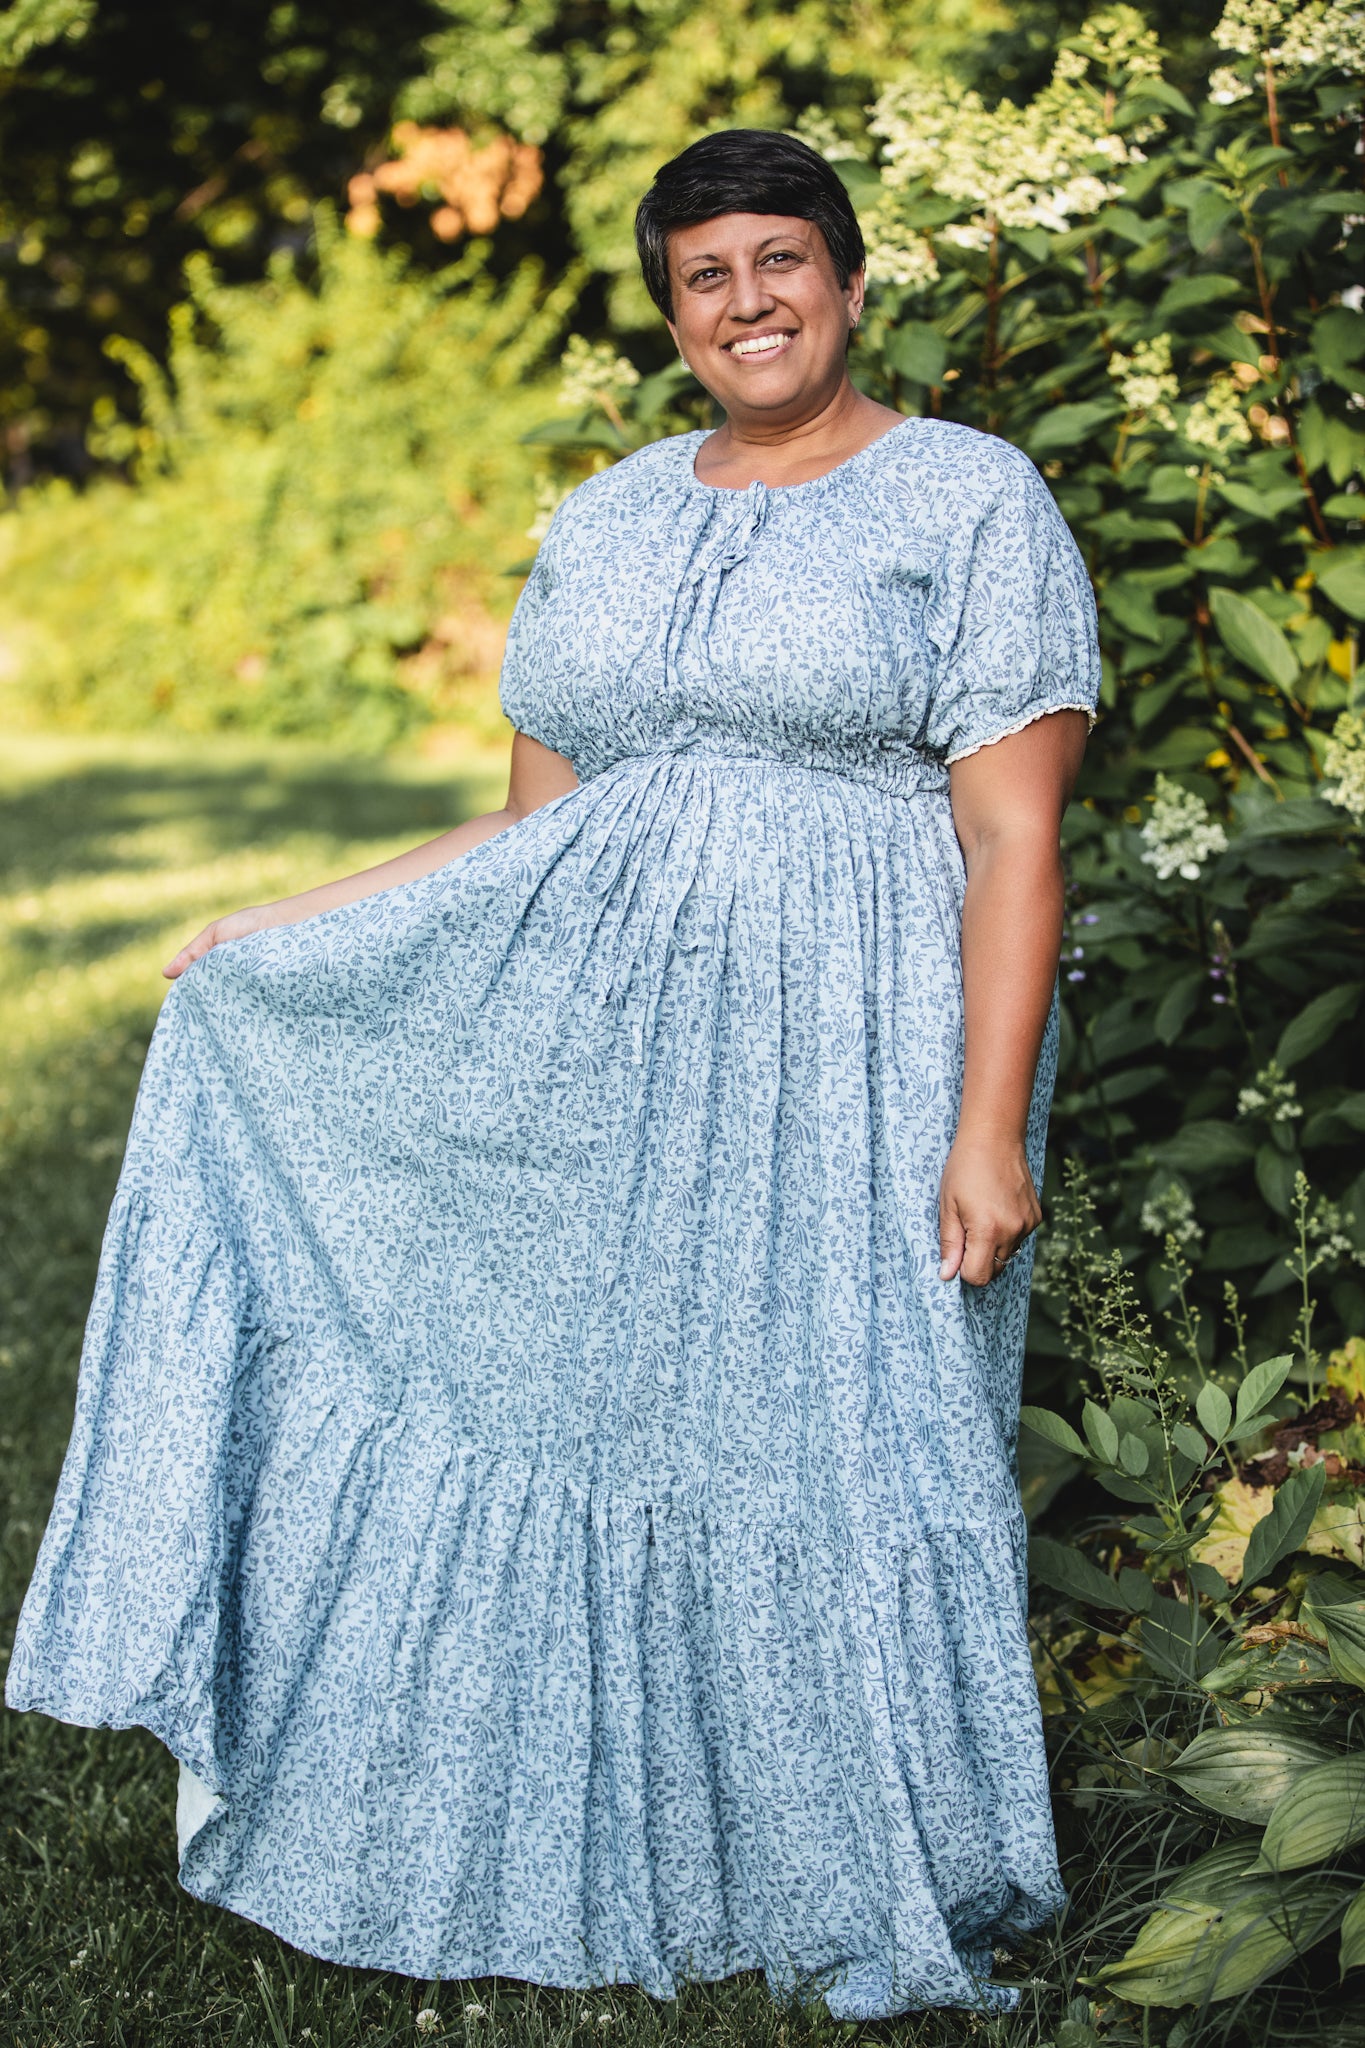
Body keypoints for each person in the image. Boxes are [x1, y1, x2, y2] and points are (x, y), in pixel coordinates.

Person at [7, 129, 1099, 2020]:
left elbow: (1013, 840)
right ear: (672, 313)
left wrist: (983, 1128)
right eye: (705, 276)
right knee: (598, 1418)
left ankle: (858, 1852)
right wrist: (280, 924)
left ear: (849, 281)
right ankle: (571, 1831)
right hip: (597, 1049)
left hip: (847, 1057)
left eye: (780, 262)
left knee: (841, 1437)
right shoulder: (603, 515)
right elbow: (533, 838)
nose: (747, 302)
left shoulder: (969, 500)